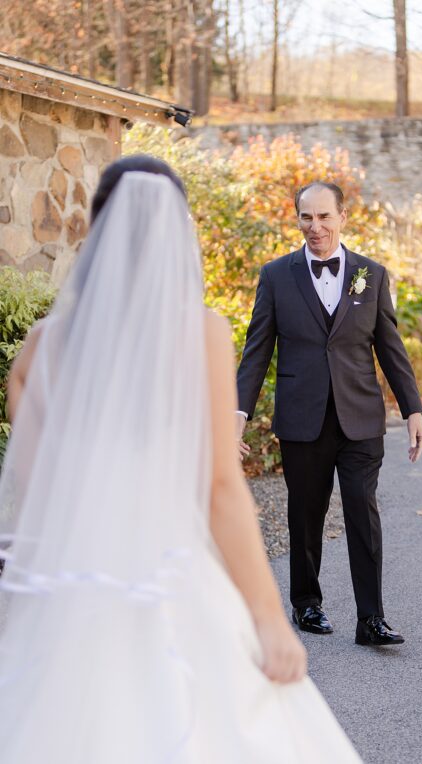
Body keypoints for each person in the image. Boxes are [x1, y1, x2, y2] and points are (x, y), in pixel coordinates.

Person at [0, 156, 362, 762]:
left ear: (96, 229)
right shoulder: (200, 333)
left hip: (68, 586)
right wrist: (269, 620)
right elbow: (220, 487)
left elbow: (36, 493)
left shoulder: (41, 349)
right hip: (171, 574)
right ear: (178, 234)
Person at [235, 181, 422, 644]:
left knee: (364, 512)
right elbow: (257, 350)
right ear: (298, 219)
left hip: (359, 416)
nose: (315, 226)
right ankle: (307, 606)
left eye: (324, 217)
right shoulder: (276, 276)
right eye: (306, 217)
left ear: (343, 217)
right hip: (303, 418)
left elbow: (389, 347)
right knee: (305, 515)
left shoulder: (370, 275)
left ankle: (371, 619)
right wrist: (236, 413)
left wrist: (412, 408)